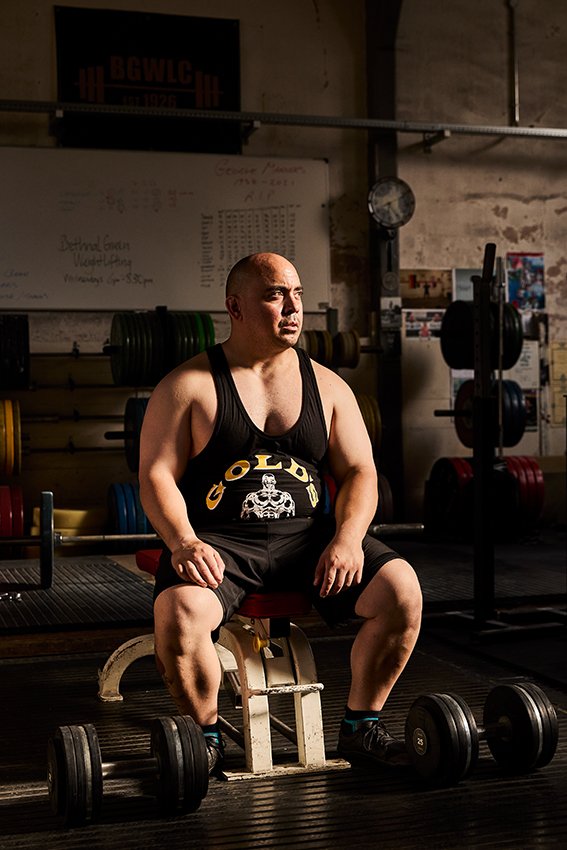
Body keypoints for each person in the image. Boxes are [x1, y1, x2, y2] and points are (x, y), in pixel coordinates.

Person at [138, 252, 422, 775]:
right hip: (221, 544)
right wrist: (182, 541)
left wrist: (348, 538)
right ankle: (205, 739)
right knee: (178, 614)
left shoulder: (329, 387)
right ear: (235, 307)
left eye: (297, 295)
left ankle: (361, 726)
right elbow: (156, 476)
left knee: (401, 592)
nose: (292, 308)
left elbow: (361, 471)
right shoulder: (188, 386)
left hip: (310, 540)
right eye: (274, 295)